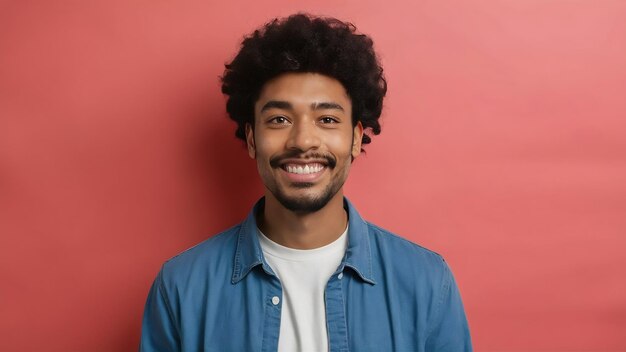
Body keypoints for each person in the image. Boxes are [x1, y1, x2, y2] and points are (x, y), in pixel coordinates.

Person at [140, 13, 472, 352]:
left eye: (327, 119)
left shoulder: (427, 283)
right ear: (252, 138)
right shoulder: (181, 287)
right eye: (279, 119)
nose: (302, 141)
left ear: (356, 138)